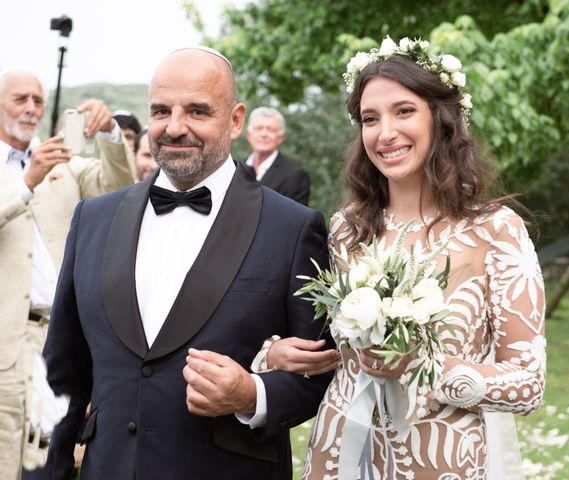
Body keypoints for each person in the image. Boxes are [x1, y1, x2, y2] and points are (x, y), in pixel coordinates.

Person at [34, 46, 333, 480]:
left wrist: (252, 394)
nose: (174, 128)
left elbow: (320, 372)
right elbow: (61, 374)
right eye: (160, 111)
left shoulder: (293, 227)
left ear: (235, 120)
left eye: (197, 111)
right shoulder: (93, 218)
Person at [255, 37, 546, 479]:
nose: (385, 133)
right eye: (370, 119)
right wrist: (274, 356)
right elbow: (329, 350)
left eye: (404, 111)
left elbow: (528, 385)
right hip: (339, 455)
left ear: (440, 118)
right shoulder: (346, 228)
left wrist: (423, 366)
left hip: (444, 461)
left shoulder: (496, 230)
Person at [0, 67, 136, 478]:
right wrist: (28, 179)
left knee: (50, 458)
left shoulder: (67, 166)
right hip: (6, 339)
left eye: (38, 100)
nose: (31, 108)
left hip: (60, 339)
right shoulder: (36, 169)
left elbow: (118, 188)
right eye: (19, 98)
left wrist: (111, 132)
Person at [245, 106, 311, 205]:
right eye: (259, 128)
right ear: (248, 135)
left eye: (271, 130)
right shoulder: (233, 168)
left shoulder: (295, 176)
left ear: (281, 138)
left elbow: (295, 218)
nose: (264, 134)